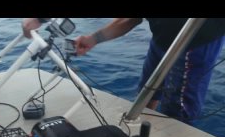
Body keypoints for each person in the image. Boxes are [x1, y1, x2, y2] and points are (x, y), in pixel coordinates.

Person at [22, 18, 225, 123]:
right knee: (145, 95)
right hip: (161, 39)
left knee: (179, 111)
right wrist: (93, 39)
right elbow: (130, 19)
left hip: (196, 44)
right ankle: (143, 133)